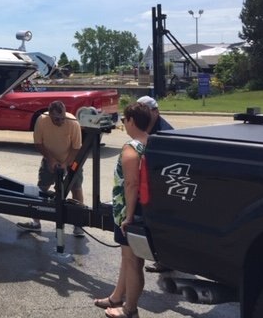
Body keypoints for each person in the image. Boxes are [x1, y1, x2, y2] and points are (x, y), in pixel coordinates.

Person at [94, 102, 151, 318]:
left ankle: (129, 310)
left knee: (133, 261)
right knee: (128, 258)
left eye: (125, 120)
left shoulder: (131, 147)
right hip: (144, 210)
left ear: (131, 121)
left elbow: (131, 184)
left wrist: (128, 217)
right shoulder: (151, 142)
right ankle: (116, 297)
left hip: (130, 212)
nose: (124, 124)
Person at [16, 100, 85, 237]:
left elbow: (76, 147)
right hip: (50, 158)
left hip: (71, 159)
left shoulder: (72, 122)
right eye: (56, 119)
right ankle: (36, 222)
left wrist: (66, 163)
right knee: (42, 188)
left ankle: (78, 224)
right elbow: (38, 143)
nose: (60, 121)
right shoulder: (42, 120)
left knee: (76, 188)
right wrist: (50, 159)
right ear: (50, 115)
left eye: (62, 118)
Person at [136, 95, 173, 273]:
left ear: (155, 112)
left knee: (163, 224)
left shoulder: (165, 133)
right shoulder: (144, 126)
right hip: (148, 184)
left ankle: (166, 260)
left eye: (144, 111)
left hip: (162, 186)